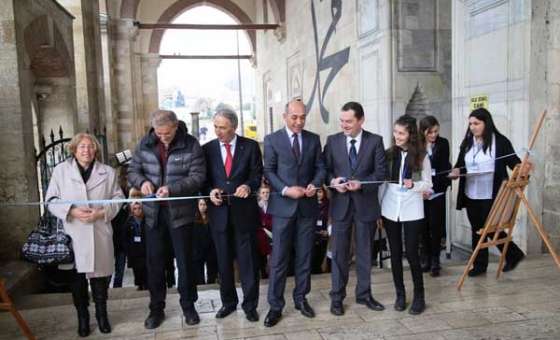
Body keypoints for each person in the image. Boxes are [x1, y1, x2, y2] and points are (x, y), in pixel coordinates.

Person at [128, 110, 206, 329]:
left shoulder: (191, 144)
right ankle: (156, 309)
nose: (163, 137)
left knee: (185, 263)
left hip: (181, 214)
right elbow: (132, 171)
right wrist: (142, 182)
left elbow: (198, 176)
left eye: (167, 133)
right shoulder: (144, 143)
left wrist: (172, 189)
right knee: (155, 264)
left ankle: (188, 307)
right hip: (154, 215)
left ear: (175, 126)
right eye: (159, 133)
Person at [46, 133, 124, 337]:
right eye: (82, 147)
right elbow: (51, 199)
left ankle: (102, 316)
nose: (86, 151)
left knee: (100, 280)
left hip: (99, 231)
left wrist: (101, 213)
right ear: (74, 149)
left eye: (90, 147)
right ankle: (82, 318)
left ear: (95, 150)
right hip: (74, 233)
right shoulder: (61, 171)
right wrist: (71, 211)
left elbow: (118, 199)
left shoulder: (107, 172)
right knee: (77, 281)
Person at [262, 99, 326, 327]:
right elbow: (268, 170)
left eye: (302, 117)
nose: (299, 122)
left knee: (305, 257)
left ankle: (301, 298)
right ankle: (275, 306)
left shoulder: (313, 139)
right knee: (279, 259)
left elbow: (320, 167)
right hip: (282, 209)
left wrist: (314, 184)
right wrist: (286, 189)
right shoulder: (271, 140)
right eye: (294, 117)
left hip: (307, 208)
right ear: (284, 116)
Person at [323, 101, 387, 316]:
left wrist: (362, 183)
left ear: (361, 120)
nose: (344, 125)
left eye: (349, 121)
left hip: (365, 205)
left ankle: (364, 294)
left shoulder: (375, 141)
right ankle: (337, 298)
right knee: (339, 253)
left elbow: (381, 174)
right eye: (341, 121)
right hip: (340, 206)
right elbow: (325, 170)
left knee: (365, 253)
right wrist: (333, 181)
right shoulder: (332, 141)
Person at [449, 108, 525, 277]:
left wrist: (523, 170)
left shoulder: (500, 141)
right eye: (470, 124)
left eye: (476, 123)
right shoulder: (467, 142)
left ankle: (513, 254)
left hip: (492, 194)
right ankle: (480, 265)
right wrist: (455, 172)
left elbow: (516, 164)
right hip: (471, 193)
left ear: (486, 123)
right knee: (477, 228)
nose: (472, 127)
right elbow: (460, 164)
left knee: (489, 228)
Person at [203, 108, 263, 322]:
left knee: (248, 262)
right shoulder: (207, 149)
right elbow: (203, 179)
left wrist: (248, 185)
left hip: (244, 214)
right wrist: (210, 191)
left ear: (234, 127)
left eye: (223, 127)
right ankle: (228, 303)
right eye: (216, 127)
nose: (218, 131)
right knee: (223, 261)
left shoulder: (251, 146)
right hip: (219, 214)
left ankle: (250, 305)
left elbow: (257, 174)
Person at [381, 114, 432, 315]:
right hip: (390, 208)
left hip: (412, 208)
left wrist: (415, 185)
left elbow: (428, 184)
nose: (397, 136)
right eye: (395, 132)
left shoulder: (422, 156)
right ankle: (400, 295)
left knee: (412, 253)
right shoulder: (388, 154)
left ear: (410, 134)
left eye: (401, 133)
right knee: (394, 253)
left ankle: (419, 297)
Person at [419, 116, 451, 277]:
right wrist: (422, 189)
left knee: (436, 226)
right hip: (421, 193)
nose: (433, 135)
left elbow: (444, 167)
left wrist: (436, 186)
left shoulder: (443, 143)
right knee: (423, 227)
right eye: (429, 132)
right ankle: (425, 257)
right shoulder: (417, 145)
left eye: (435, 131)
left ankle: (435, 259)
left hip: (437, 190)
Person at [192, 199, 217, 285]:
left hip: (210, 247)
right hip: (198, 248)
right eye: (201, 205)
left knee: (212, 268)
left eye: (204, 205)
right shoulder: (194, 219)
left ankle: (211, 282)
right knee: (199, 269)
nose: (203, 207)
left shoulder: (212, 218)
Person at [126, 196, 148, 290]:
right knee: (137, 268)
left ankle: (146, 283)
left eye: (139, 208)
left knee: (146, 267)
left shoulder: (146, 220)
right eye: (135, 209)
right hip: (134, 250)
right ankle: (139, 284)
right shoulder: (128, 222)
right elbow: (125, 237)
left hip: (144, 248)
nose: (137, 210)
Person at [311, 186, 329, 274]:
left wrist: (327, 231)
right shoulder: (311, 203)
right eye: (317, 192)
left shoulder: (328, 204)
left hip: (325, 235)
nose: (318, 194)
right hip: (313, 235)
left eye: (320, 192)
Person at [256, 185, 273, 279]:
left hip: (272, 236)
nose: (265, 194)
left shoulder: (273, 205)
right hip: (261, 237)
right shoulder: (257, 206)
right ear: (259, 194)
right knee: (262, 260)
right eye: (263, 192)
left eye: (267, 192)